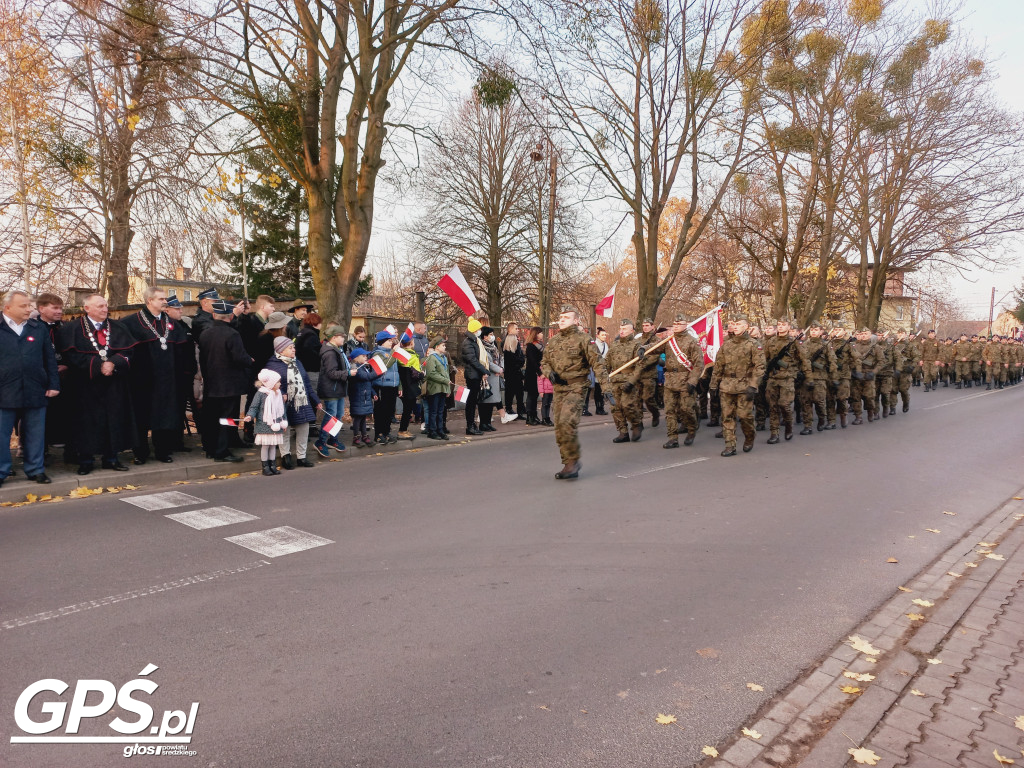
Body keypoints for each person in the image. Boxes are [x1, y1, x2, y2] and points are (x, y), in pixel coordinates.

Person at [59, 294, 136, 475]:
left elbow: (128, 351)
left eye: (105, 305)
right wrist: (98, 365)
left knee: (113, 420)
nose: (105, 309)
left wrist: (114, 363)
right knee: (86, 423)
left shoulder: (118, 327)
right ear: (87, 308)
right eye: (100, 306)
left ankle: (111, 458)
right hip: (85, 385)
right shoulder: (72, 329)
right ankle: (86, 460)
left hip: (113, 383)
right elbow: (71, 356)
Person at [120, 287, 192, 465]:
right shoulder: (131, 322)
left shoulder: (172, 324)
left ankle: (162, 451)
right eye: (160, 299)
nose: (164, 301)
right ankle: (141, 452)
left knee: (164, 415)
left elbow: (182, 352)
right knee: (142, 417)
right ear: (149, 301)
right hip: (142, 380)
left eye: (164, 298)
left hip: (168, 380)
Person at [0, 290, 60, 486]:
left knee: (35, 433)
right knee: (1, 434)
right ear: (7, 307)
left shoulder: (37, 328)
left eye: (30, 305)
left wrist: (53, 383)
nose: (29, 309)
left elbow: (49, 359)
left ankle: (35, 470)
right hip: (4, 390)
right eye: (24, 306)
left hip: (35, 388)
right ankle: (2, 470)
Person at [540, 307, 604, 479]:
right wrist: (549, 373)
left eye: (566, 317)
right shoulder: (553, 341)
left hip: (577, 386)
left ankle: (572, 463)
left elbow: (598, 363)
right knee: (559, 427)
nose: (562, 320)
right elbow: (544, 362)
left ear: (576, 321)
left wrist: (607, 388)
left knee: (567, 423)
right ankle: (568, 461)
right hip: (559, 388)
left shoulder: (584, 339)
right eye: (560, 317)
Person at [197, 299, 251, 463]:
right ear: (229, 317)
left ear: (214, 315)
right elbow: (239, 357)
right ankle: (222, 451)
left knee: (212, 417)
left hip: (211, 382)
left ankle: (210, 448)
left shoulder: (205, 333)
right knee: (226, 418)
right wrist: (249, 360)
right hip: (229, 384)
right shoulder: (232, 334)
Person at [709, 314, 765, 457]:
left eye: (739, 324)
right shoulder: (726, 345)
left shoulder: (754, 344)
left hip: (744, 385)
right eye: (733, 324)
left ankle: (750, 436)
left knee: (745, 416)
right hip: (727, 385)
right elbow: (718, 366)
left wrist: (753, 385)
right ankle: (730, 445)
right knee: (727, 416)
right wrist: (714, 385)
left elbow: (760, 367)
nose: (735, 326)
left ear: (746, 327)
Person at [265, 336, 320, 468]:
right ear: (281, 350)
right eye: (290, 348)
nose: (294, 349)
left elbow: (306, 384)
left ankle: (302, 457)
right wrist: (282, 393)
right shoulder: (272, 365)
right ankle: (286, 456)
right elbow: (270, 383)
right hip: (283, 403)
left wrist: (316, 400)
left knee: (303, 428)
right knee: (285, 429)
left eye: (293, 347)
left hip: (301, 401)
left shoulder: (298, 363)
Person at [35, 292, 73, 461]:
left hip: (65, 378)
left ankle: (69, 450)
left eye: (61, 308)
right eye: (55, 308)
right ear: (41, 309)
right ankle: (40, 451)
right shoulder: (33, 327)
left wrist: (67, 365)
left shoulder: (66, 327)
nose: (59, 311)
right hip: (42, 380)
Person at [661, 313, 705, 448]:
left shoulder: (691, 341)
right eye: (674, 324)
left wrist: (692, 381)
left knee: (686, 409)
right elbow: (654, 347)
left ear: (686, 325)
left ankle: (692, 429)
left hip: (685, 379)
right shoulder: (668, 340)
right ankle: (673, 437)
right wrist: (643, 349)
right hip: (670, 380)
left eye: (679, 324)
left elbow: (699, 364)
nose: (676, 326)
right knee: (669, 410)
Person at [763, 317, 808, 444]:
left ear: (789, 327)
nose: (781, 326)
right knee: (772, 407)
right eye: (779, 324)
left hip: (787, 379)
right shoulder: (770, 341)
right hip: (772, 378)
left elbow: (804, 360)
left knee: (784, 404)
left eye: (784, 324)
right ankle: (774, 433)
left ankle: (789, 425)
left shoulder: (794, 342)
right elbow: (764, 359)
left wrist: (807, 376)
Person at [164, 295, 198, 451]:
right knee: (172, 409)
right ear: (167, 310)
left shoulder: (183, 324)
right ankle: (170, 442)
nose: (181, 310)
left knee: (180, 408)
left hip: (186, 374)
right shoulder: (166, 326)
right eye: (177, 308)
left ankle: (178, 441)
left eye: (180, 308)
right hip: (174, 375)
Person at [604, 319, 644, 443]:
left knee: (628, 405)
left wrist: (632, 381)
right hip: (615, 380)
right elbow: (607, 363)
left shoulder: (637, 345)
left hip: (629, 380)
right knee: (615, 407)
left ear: (631, 331)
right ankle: (623, 432)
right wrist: (604, 377)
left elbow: (640, 366)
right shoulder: (614, 345)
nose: (622, 331)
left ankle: (637, 424)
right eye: (621, 328)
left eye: (625, 329)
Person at [314, 324, 349, 457]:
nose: (343, 339)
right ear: (334, 337)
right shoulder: (329, 353)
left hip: (337, 388)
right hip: (331, 389)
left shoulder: (336, 349)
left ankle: (332, 439)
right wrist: (348, 373)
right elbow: (331, 373)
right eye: (342, 337)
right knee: (331, 415)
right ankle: (321, 441)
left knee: (338, 415)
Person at [245, 369, 288, 476]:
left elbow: (282, 410)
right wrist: (250, 416)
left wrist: (284, 421)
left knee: (273, 445)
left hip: (276, 424)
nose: (280, 384)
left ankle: (273, 465)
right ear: (271, 383)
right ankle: (265, 467)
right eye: (278, 382)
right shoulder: (260, 394)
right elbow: (254, 407)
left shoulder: (278, 394)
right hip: (264, 424)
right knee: (265, 446)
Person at [800, 322, 838, 433]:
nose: (813, 332)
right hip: (806, 377)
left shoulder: (825, 345)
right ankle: (808, 426)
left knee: (819, 401)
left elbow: (832, 361)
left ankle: (822, 418)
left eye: (816, 330)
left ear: (821, 331)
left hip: (820, 377)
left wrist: (834, 378)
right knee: (805, 402)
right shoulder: (804, 344)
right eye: (812, 330)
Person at [371, 329, 400, 444]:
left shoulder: (392, 353)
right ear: (382, 342)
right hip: (382, 386)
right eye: (389, 340)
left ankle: (387, 432)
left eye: (391, 340)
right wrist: (393, 352)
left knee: (390, 411)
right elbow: (385, 365)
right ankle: (379, 434)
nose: (391, 342)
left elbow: (397, 370)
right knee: (381, 411)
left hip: (393, 385)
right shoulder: (377, 353)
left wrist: (400, 386)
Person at [461, 317, 489, 435]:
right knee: (471, 402)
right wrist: (484, 370)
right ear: (474, 330)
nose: (480, 331)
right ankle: (470, 426)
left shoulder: (475, 341)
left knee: (473, 401)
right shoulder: (468, 342)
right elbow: (472, 360)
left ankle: (472, 425)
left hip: (476, 374)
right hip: (472, 375)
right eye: (478, 329)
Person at [347, 347, 378, 447]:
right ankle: (356, 437)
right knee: (358, 418)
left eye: (366, 356)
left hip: (364, 396)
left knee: (363, 417)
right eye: (363, 356)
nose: (366, 357)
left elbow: (368, 381)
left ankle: (364, 436)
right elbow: (366, 377)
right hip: (358, 396)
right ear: (356, 358)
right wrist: (378, 372)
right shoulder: (355, 368)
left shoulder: (363, 367)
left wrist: (373, 393)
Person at [850, 327, 882, 423]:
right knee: (856, 397)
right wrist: (853, 371)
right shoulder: (854, 346)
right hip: (857, 374)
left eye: (866, 334)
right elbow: (849, 359)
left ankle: (870, 412)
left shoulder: (875, 347)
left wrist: (873, 372)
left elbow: (881, 361)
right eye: (862, 333)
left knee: (869, 397)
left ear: (870, 335)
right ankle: (858, 416)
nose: (863, 336)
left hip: (869, 374)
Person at [477, 326, 505, 432]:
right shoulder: (482, 347)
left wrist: (501, 368)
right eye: (490, 334)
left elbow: (499, 358)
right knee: (485, 401)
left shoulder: (493, 346)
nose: (492, 336)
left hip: (496, 376)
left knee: (491, 403)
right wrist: (498, 369)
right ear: (485, 336)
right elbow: (487, 362)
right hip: (489, 376)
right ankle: (483, 423)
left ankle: (488, 423)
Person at [423, 338, 451, 440]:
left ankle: (440, 430)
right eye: (442, 345)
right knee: (433, 411)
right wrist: (444, 380)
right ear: (436, 346)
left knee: (440, 411)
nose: (445, 347)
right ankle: (432, 430)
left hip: (443, 388)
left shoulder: (443, 357)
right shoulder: (432, 358)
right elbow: (431, 374)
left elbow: (446, 373)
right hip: (435, 388)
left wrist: (448, 389)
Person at [396, 337, 423, 440]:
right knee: (408, 410)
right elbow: (416, 373)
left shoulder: (400, 355)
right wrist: (422, 374)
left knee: (406, 409)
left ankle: (404, 429)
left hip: (404, 385)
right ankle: (402, 430)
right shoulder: (412, 356)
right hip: (411, 386)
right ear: (411, 343)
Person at [636, 317, 661, 427]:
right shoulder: (638, 340)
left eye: (647, 325)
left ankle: (655, 413)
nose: (645, 327)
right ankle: (638, 422)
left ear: (652, 326)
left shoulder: (656, 340)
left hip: (649, 373)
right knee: (637, 399)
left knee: (648, 398)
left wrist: (643, 363)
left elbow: (655, 357)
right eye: (644, 325)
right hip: (637, 374)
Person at [502, 322, 526, 421]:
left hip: (514, 371)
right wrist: (520, 361)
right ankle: (510, 410)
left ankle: (518, 410)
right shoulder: (508, 341)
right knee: (511, 392)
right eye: (516, 328)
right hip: (512, 372)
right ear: (510, 329)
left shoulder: (514, 340)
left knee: (519, 392)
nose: (518, 330)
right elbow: (514, 358)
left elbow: (519, 356)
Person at [583, 327, 609, 416]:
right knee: (589, 390)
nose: (604, 336)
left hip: (601, 370)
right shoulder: (593, 344)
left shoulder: (606, 345)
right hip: (593, 370)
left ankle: (600, 408)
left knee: (600, 390)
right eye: (602, 335)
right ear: (597, 336)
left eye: (605, 335)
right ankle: (585, 409)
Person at [295, 312, 323, 392]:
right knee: (312, 391)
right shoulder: (311, 335)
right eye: (320, 322)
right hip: (311, 370)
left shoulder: (302, 332)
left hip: (302, 368)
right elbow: (310, 352)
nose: (321, 325)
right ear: (315, 323)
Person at [523, 327, 544, 425]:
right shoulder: (531, 346)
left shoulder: (539, 345)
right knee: (531, 396)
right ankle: (529, 416)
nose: (542, 335)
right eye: (540, 333)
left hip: (537, 373)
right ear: (535, 334)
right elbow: (532, 361)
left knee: (535, 395)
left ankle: (534, 415)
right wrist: (540, 373)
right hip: (532, 374)